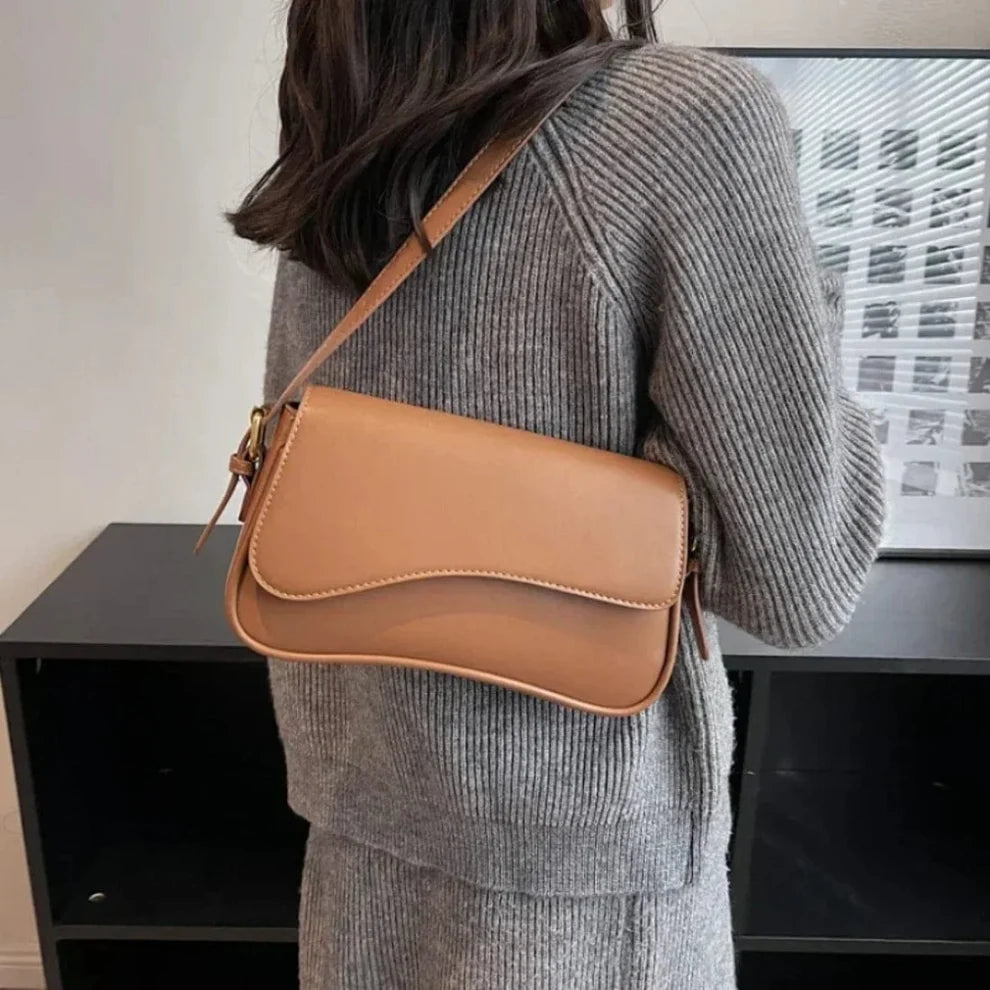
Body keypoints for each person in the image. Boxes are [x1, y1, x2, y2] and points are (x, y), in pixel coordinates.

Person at [228, 2, 885, 987]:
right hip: (582, 889)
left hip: (361, 827)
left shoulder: (348, 109)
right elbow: (803, 584)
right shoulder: (685, 117)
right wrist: (797, 305)